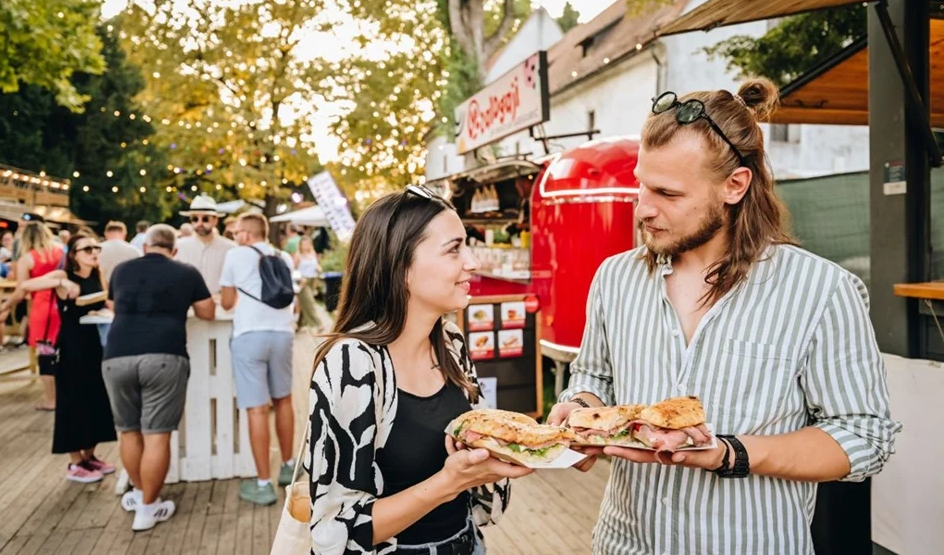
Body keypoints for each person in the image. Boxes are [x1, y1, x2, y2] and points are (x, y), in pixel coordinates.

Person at [546, 79, 902, 555]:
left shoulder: (822, 291)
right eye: (641, 184)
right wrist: (580, 407)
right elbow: (593, 376)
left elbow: (864, 434)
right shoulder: (615, 277)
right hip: (624, 542)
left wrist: (729, 452)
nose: (642, 209)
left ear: (735, 186)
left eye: (668, 194)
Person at [308, 186, 532, 554]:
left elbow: (476, 462)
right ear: (401, 267)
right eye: (454, 249)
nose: (472, 263)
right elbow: (335, 530)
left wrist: (506, 450)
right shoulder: (351, 365)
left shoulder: (451, 341)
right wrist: (449, 481)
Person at [103, 224, 215, 531]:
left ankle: (140, 496)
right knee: (157, 435)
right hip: (164, 355)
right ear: (174, 249)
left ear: (145, 246)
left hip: (116, 354)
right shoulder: (186, 271)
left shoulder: (122, 270)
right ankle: (148, 509)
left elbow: (112, 304)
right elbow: (208, 312)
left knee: (127, 431)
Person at [4, 233, 117, 482]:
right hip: (72, 346)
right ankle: (75, 462)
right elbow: (26, 286)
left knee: (96, 399)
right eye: (87, 249)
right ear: (73, 255)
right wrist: (62, 285)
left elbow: (105, 301)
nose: (94, 252)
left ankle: (90, 455)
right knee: (73, 402)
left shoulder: (98, 275)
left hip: (95, 345)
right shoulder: (63, 275)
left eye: (96, 247)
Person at [219, 212, 296, 505]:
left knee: (257, 410)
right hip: (283, 334)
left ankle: (264, 484)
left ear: (247, 234)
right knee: (284, 400)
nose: (235, 235)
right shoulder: (283, 257)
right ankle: (288, 468)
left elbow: (226, 304)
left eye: (237, 230)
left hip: (250, 335)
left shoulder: (236, 255)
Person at [7, 221, 64, 410]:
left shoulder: (28, 258)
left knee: (46, 355)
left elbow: (21, 290)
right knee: (63, 353)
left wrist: (6, 306)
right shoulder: (60, 252)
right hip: (63, 305)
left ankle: (51, 399)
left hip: (44, 308)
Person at [176, 195, 235, 294]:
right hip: (187, 305)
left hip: (219, 306)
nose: (200, 223)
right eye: (195, 219)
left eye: (205, 219)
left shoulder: (230, 248)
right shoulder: (179, 246)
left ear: (215, 220)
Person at [293, 235, 321, 331]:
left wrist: (318, 268)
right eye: (303, 244)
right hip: (303, 282)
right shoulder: (298, 255)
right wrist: (300, 279)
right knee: (309, 302)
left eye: (307, 244)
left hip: (312, 280)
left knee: (304, 303)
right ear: (300, 245)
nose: (305, 246)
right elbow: (294, 270)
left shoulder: (312, 253)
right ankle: (318, 324)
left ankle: (299, 324)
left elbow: (315, 265)